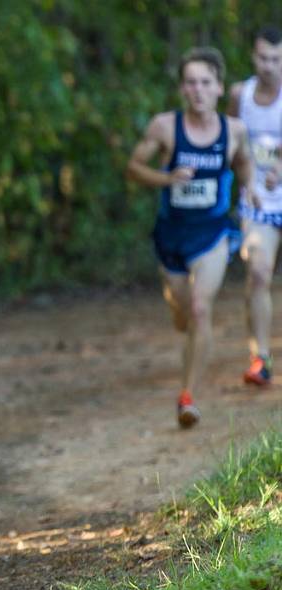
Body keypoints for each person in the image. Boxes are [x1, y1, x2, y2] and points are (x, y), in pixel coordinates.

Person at [127, 48, 258, 427]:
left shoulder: (234, 130)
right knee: (183, 316)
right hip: (171, 237)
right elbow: (134, 168)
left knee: (201, 309)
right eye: (191, 83)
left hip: (212, 233)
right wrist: (166, 178)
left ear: (219, 87)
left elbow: (244, 162)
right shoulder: (165, 127)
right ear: (182, 88)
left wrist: (249, 190)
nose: (198, 90)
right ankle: (184, 322)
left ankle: (188, 398)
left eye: (205, 82)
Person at [228, 27, 282, 386]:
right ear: (253, 56)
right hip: (258, 202)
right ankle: (260, 357)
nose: (269, 66)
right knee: (259, 273)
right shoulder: (239, 95)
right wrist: (245, 177)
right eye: (263, 58)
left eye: (276, 59)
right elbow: (227, 142)